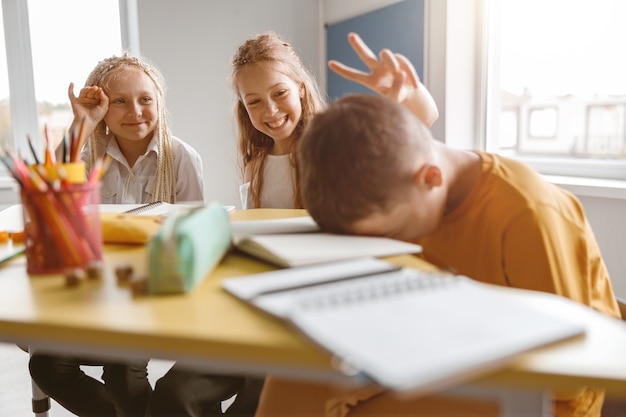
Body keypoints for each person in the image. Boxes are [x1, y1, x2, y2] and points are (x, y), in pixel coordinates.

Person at [255, 98, 622, 416]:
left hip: (539, 388)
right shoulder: (413, 192)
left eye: (392, 234)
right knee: (295, 378)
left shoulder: (528, 213)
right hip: (449, 344)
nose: (390, 245)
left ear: (430, 178)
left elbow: (568, 375)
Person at [146, 31, 439, 417]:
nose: (269, 110)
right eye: (254, 102)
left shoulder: (333, 147)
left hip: (317, 317)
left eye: (279, 93)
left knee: (258, 403)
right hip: (262, 309)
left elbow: (422, 119)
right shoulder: (257, 163)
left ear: (301, 89)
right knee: (173, 392)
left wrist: (407, 96)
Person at [29, 53, 205, 417]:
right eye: (119, 102)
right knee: (45, 364)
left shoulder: (182, 158)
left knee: (124, 372)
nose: (135, 111)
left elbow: (193, 240)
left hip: (146, 296)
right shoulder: (88, 155)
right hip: (90, 296)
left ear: (160, 103)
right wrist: (82, 124)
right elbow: (48, 198)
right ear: (103, 109)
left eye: (145, 100)